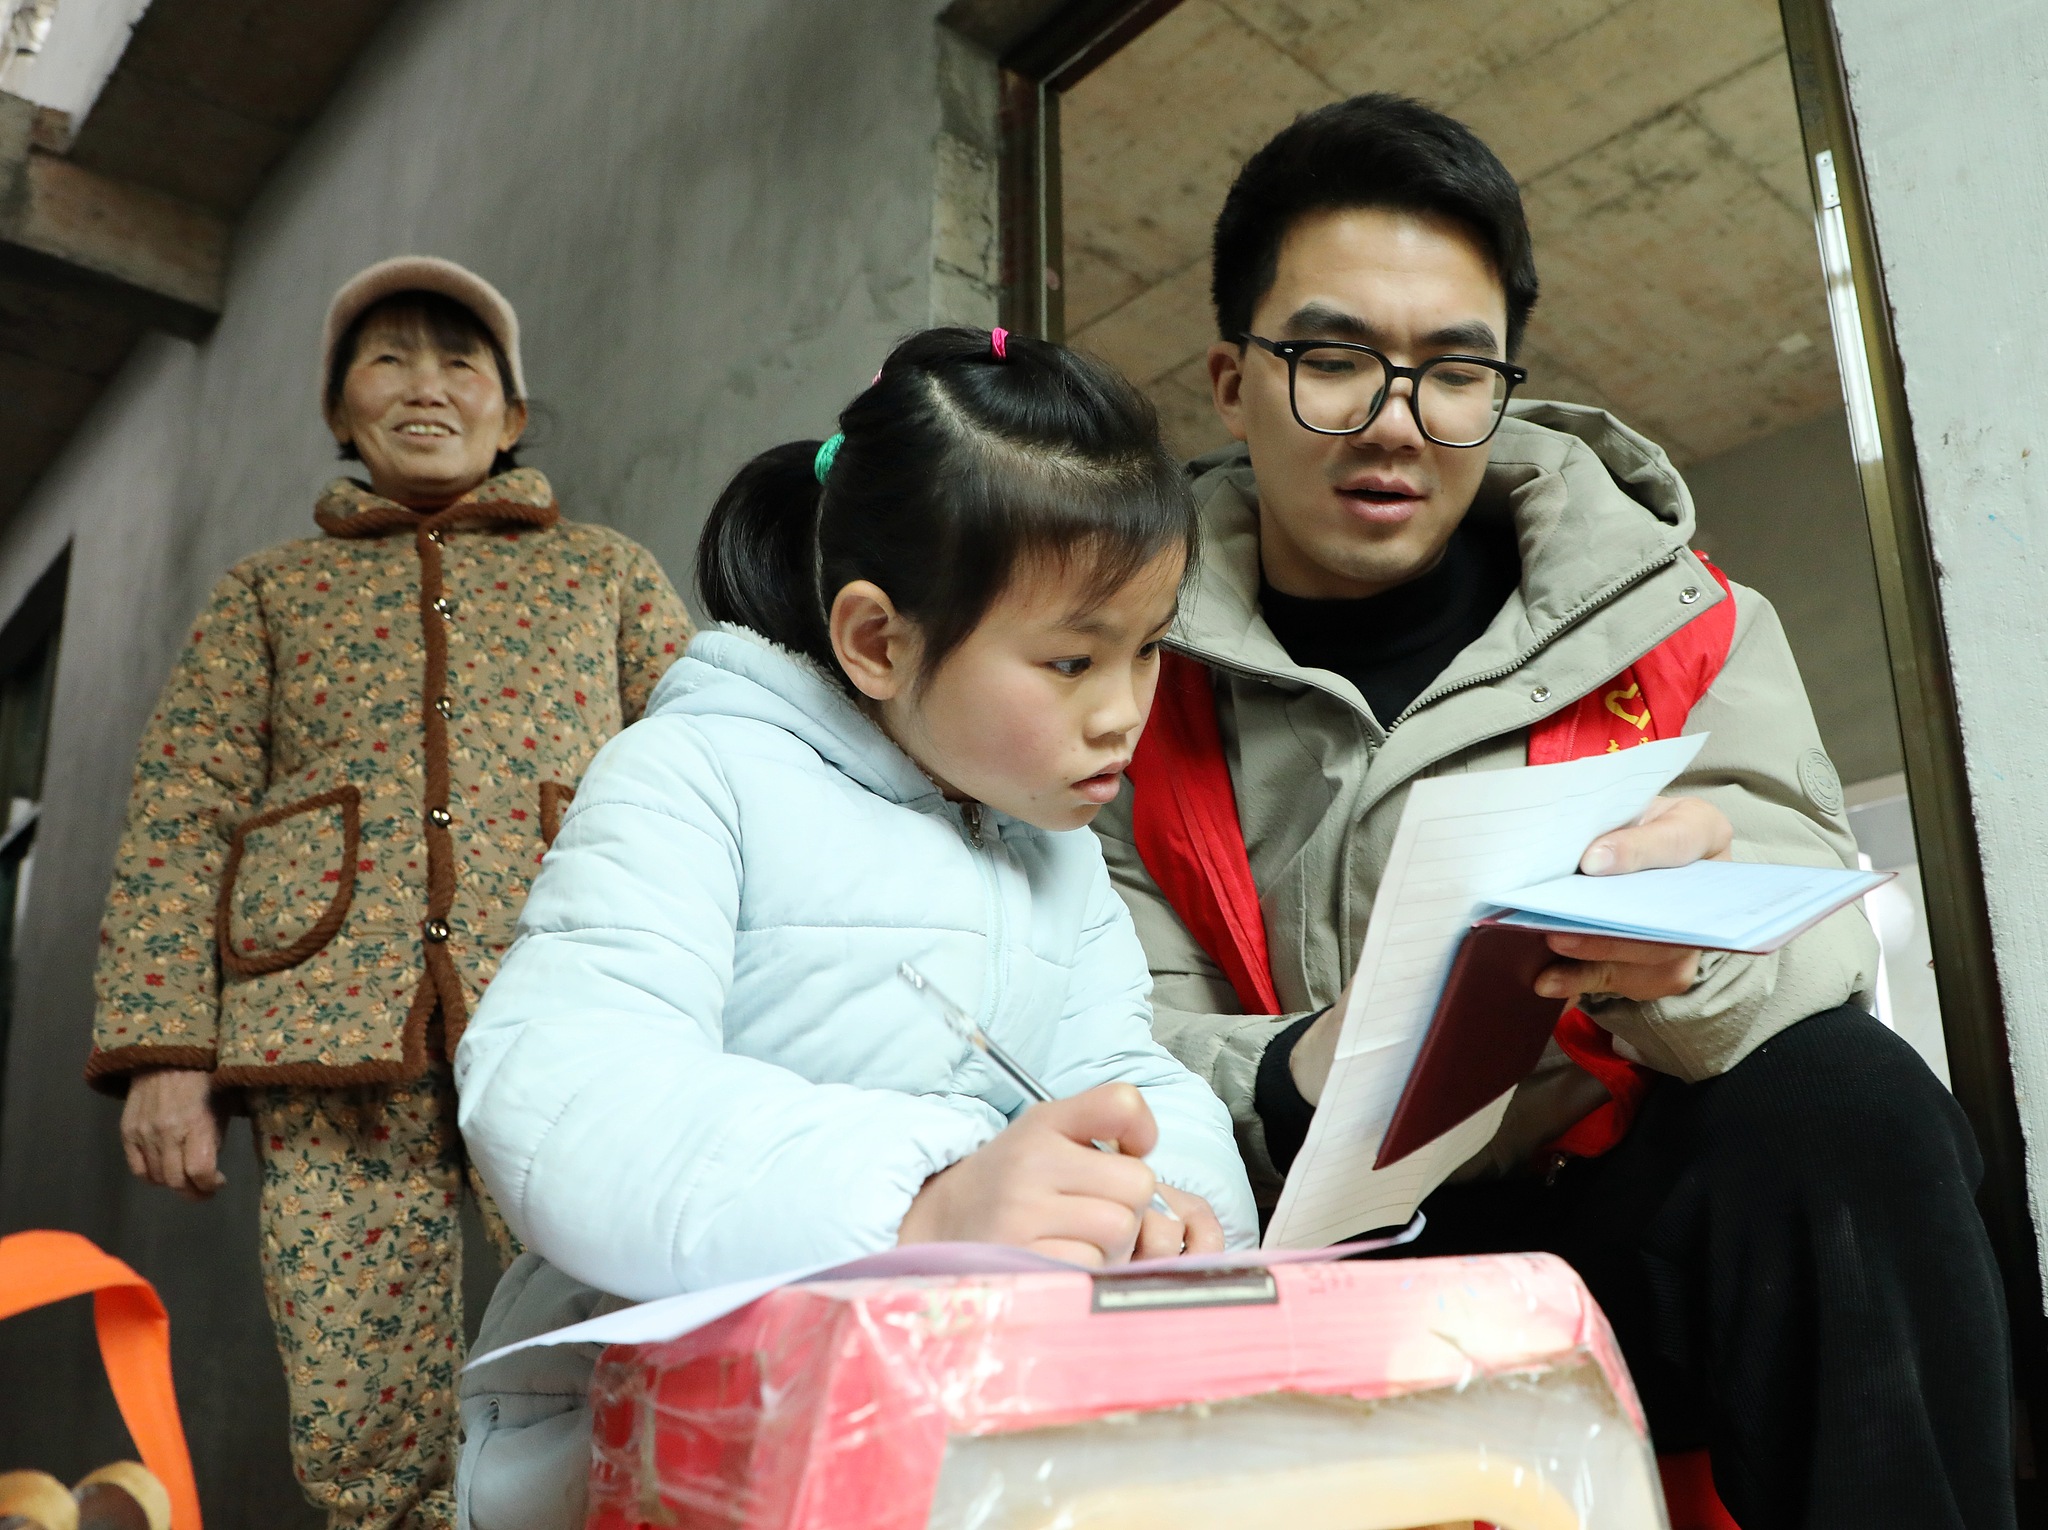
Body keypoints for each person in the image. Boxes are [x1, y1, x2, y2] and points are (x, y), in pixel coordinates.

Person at [1094, 95, 2015, 1529]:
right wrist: (1295, 1070)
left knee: (1856, 1106)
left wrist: (1695, 950)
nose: (1395, 424)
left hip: (1612, 1190)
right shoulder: (1118, 671)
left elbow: (1810, 909)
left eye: (1454, 371)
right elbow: (1097, 1015)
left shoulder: (1676, 616)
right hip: (1304, 1243)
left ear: (1503, 385)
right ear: (1230, 378)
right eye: (1330, 360)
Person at [450, 327, 1257, 1529]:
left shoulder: (1059, 857)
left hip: (938, 1429)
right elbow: (560, 1093)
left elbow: (1118, 1075)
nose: (1123, 716)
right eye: (1072, 659)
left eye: (1145, 653)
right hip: (661, 1437)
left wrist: (1173, 1204)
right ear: (878, 640)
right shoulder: (697, 775)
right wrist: (924, 1205)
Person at [88, 256, 695, 1530]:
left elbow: (704, 780)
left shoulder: (605, 576)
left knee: (631, 1329)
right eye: (389, 360)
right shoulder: (268, 591)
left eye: (460, 361)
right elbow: (180, 811)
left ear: (511, 413)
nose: (427, 387)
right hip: (322, 1030)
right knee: (357, 1391)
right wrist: (166, 1052)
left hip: (573, 1013)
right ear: (340, 411)